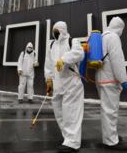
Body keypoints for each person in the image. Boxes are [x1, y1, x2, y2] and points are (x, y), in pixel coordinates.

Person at [44, 21, 85, 153]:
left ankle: (72, 142)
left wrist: (64, 59)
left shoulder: (72, 41)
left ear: (63, 30)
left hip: (71, 83)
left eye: (58, 30)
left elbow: (79, 53)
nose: (55, 32)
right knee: (59, 112)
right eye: (54, 30)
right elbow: (48, 64)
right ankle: (68, 138)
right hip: (57, 84)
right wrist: (48, 80)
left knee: (70, 112)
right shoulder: (51, 44)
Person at [95, 17, 127, 150]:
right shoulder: (114, 37)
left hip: (100, 79)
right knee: (110, 111)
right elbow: (117, 61)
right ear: (120, 27)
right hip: (110, 79)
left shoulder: (102, 36)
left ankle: (110, 136)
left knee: (106, 110)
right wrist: (124, 80)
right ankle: (111, 141)